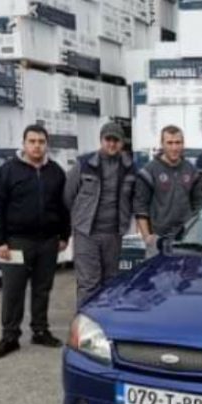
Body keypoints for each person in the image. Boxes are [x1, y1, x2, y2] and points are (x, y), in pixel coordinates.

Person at [0, 124, 71, 359]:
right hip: (16, 242)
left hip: (48, 242)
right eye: (32, 141)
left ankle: (40, 330)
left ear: (46, 145)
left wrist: (64, 235)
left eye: (41, 142)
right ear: (24, 144)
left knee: (42, 289)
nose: (37, 146)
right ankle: (10, 336)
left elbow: (64, 208)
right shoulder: (8, 171)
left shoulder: (56, 172)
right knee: (13, 290)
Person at [64, 122, 136, 306]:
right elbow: (68, 196)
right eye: (108, 139)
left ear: (122, 143)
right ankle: (86, 327)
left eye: (116, 140)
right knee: (89, 283)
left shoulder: (130, 168)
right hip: (87, 233)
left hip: (113, 234)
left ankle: (105, 327)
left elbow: (135, 199)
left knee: (110, 282)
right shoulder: (83, 164)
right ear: (101, 140)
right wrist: (80, 220)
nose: (112, 144)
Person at [134, 125, 197, 254]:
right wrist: (147, 237)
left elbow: (199, 205)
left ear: (183, 144)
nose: (174, 147)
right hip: (158, 239)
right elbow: (140, 206)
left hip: (186, 238)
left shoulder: (191, 170)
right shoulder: (149, 171)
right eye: (169, 143)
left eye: (178, 143)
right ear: (162, 144)